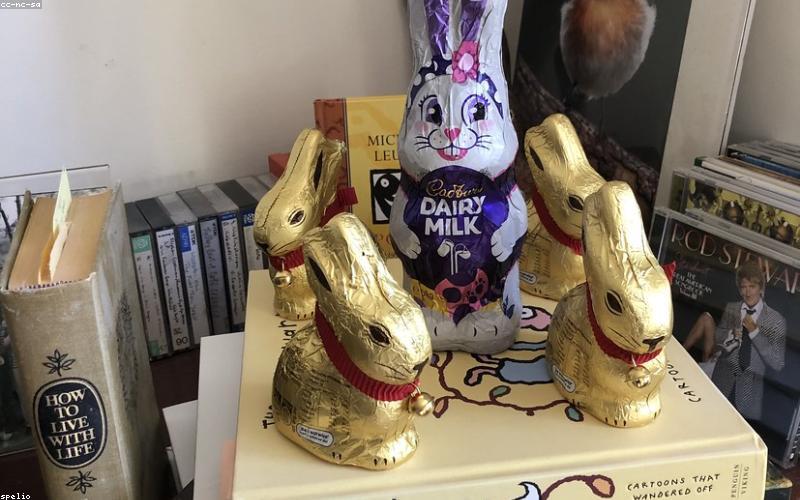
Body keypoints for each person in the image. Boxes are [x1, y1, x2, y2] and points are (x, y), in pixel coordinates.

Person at [683, 260, 786, 420]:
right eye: (744, 287)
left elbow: (777, 363)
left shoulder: (776, 320)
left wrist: (755, 332)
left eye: (752, 287)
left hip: (749, 394)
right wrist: (729, 336)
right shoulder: (733, 308)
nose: (748, 292)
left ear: (761, 289)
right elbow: (717, 338)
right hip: (721, 382)